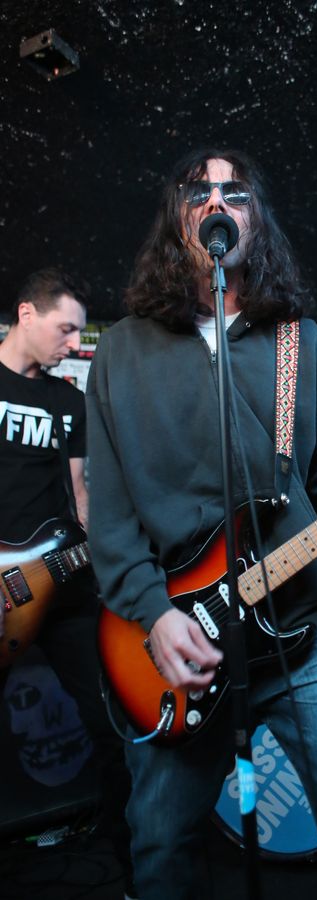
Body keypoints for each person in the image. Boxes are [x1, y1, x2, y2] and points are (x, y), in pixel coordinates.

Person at [85, 148, 317, 900]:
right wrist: (153, 614)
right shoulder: (119, 352)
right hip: (179, 639)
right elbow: (109, 518)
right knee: (161, 842)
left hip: (304, 628)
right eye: (198, 192)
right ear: (177, 220)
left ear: (256, 219)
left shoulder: (299, 340)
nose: (217, 202)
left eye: (235, 192)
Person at [0, 268, 133, 898]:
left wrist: (108, 545)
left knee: (113, 722)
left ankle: (134, 868)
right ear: (27, 314)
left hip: (64, 585)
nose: (75, 343)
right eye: (66, 329)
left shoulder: (67, 402)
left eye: (81, 332)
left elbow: (80, 498)